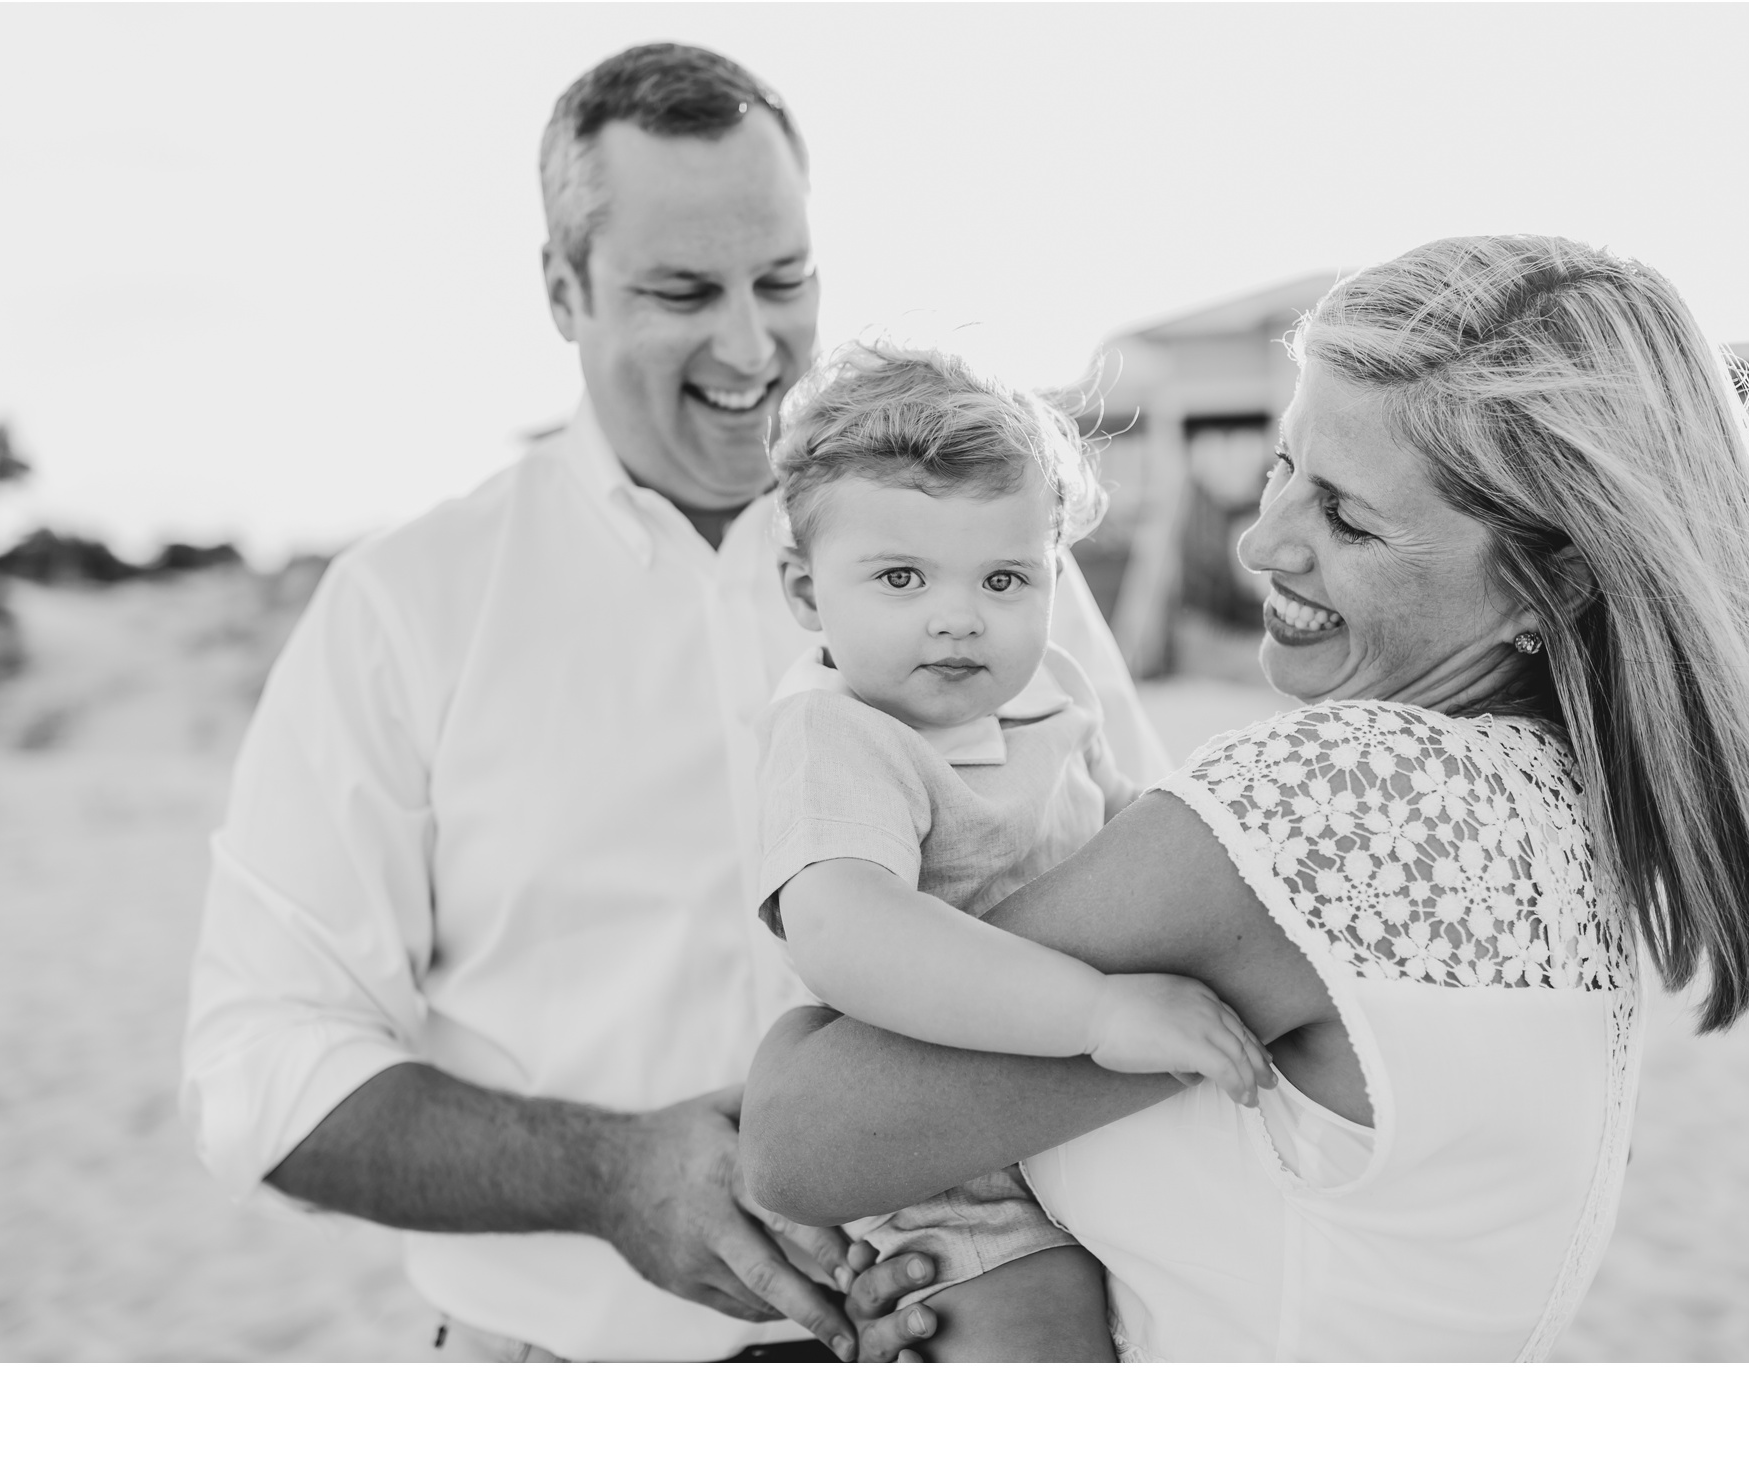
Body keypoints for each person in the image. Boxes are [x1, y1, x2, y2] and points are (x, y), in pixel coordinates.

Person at [178, 42, 1164, 1363]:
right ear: (561, 286)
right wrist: (610, 1173)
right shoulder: (405, 606)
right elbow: (258, 1070)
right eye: (683, 291)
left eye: (787, 279)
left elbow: (1137, 878)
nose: (754, 347)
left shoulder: (981, 572)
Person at [742, 234, 1749, 1360]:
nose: (1258, 539)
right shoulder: (1562, 817)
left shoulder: (1345, 806)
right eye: (1283, 467)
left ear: (1554, 577)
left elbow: (795, 1139)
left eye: (1346, 515)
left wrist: (795, 1040)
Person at [753, 343, 1273, 1359]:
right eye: (899, 577)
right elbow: (843, 928)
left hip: (1090, 1120)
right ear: (806, 593)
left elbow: (1132, 832)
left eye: (1004, 578)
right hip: (956, 1170)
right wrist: (1096, 1010)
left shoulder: (1050, 693)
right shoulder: (837, 732)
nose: (958, 616)